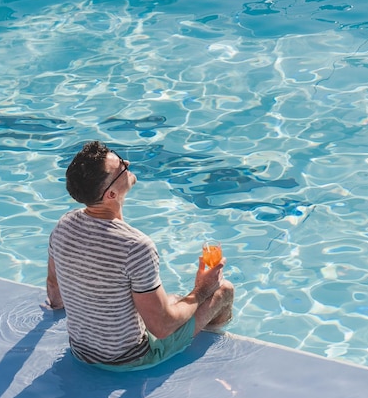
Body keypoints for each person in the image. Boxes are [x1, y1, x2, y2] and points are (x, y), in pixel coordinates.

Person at [46, 141, 234, 371]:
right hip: (130, 359)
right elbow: (162, 327)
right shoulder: (135, 246)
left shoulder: (64, 225)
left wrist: (61, 307)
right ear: (111, 194)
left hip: (80, 351)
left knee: (172, 299)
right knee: (224, 290)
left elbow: (54, 288)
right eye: (121, 169)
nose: (127, 163)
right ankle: (209, 335)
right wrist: (203, 289)